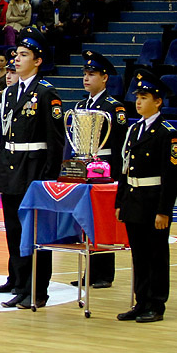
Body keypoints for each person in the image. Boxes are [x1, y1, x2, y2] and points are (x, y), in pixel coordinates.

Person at [0, 27, 63, 309]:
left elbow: (55, 142)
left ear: (37, 60)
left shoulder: (46, 93)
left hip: (34, 172)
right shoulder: (9, 94)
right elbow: (3, 136)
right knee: (14, 231)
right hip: (11, 171)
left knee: (35, 234)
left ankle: (37, 290)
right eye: (17, 54)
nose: (17, 59)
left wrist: (48, 180)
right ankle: (21, 285)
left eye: (24, 55)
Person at [115, 69, 177, 323]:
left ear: (158, 101)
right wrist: (120, 202)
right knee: (138, 255)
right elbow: (124, 168)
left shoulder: (168, 133)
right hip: (134, 199)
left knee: (156, 255)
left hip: (154, 202)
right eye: (137, 97)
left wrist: (164, 210)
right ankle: (140, 301)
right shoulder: (134, 130)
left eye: (144, 97)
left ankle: (156, 303)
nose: (138, 101)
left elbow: (171, 176)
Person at [65, 51, 127, 289]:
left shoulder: (114, 107)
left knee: (102, 221)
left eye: (92, 74)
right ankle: (88, 272)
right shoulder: (81, 105)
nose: (86, 79)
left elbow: (120, 146)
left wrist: (117, 177)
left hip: (104, 171)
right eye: (85, 74)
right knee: (85, 221)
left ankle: (103, 274)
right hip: (83, 169)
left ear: (104, 78)